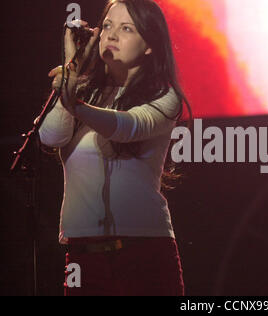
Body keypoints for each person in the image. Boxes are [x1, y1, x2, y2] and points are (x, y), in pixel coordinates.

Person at [39, 0, 191, 296]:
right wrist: (74, 68)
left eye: (126, 28)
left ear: (149, 45)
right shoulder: (81, 90)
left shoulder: (165, 97)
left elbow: (126, 127)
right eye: (107, 25)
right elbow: (50, 136)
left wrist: (74, 102)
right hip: (81, 255)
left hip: (143, 250)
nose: (111, 35)